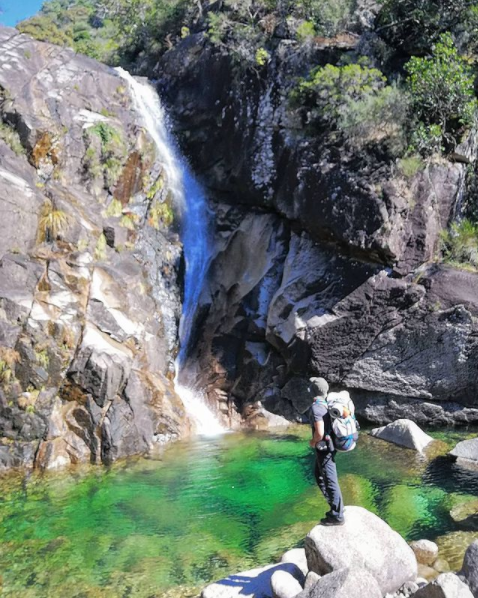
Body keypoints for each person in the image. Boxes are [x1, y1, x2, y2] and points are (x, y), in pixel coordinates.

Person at [308, 376, 345, 526]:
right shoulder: (327, 403)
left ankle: (337, 515)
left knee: (329, 480)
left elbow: (320, 432)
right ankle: (336, 505)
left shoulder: (316, 407)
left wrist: (313, 442)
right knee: (319, 475)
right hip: (331, 445)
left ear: (313, 391)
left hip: (324, 448)